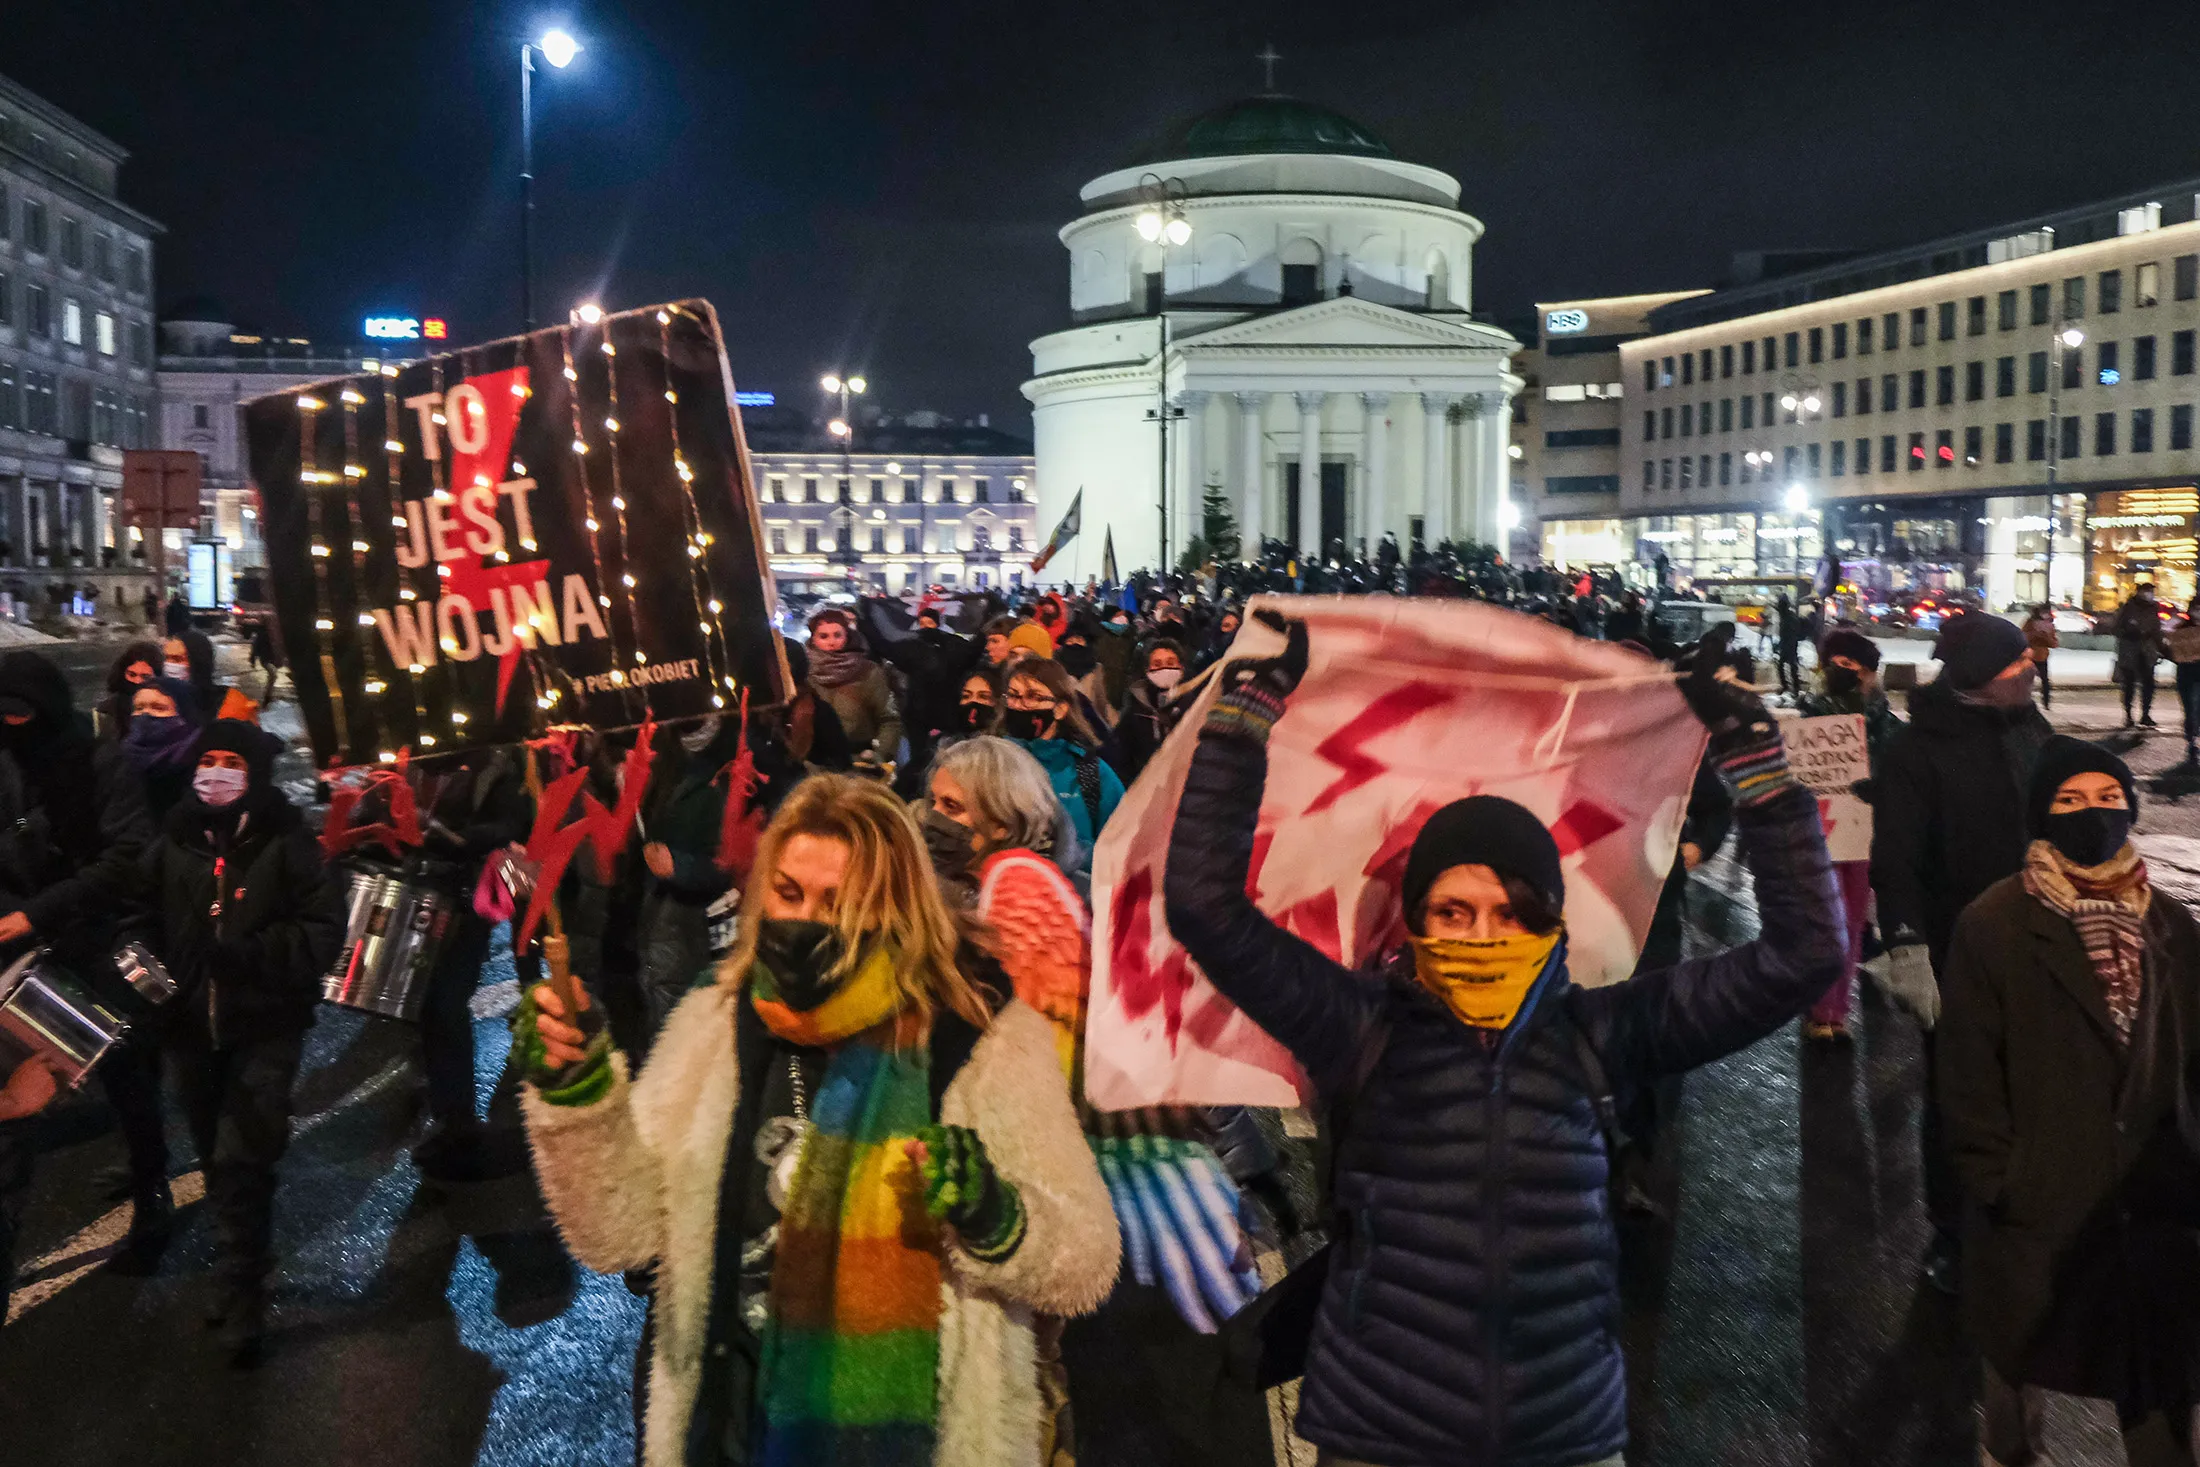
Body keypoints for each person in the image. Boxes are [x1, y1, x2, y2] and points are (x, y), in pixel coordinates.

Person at [1162, 617, 1845, 1467]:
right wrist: (1245, 713)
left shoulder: (1604, 1031)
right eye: (1454, 911)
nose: (1484, 936)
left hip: (1561, 1438)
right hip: (1382, 1434)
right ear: (1413, 924)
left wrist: (1751, 755)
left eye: (1512, 913)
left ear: (1551, 922)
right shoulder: (1359, 1026)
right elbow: (1202, 906)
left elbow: (1806, 952)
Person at [521, 774, 1120, 1467]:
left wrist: (995, 1215)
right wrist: (578, 1093)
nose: (809, 922)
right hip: (728, 1434)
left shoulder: (978, 1037)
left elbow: (1087, 1259)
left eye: (842, 902)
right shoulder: (718, 1019)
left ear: (897, 906)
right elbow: (617, 1234)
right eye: (790, 892)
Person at [1940, 738, 2200, 1467]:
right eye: (2072, 800)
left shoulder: (2172, 924)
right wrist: (2000, 1177)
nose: (2095, 812)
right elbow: (1966, 1073)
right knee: (2020, 1344)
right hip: (2041, 1188)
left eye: (2109, 797)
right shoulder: (1993, 924)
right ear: (2042, 816)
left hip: (2153, 1193)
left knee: (2161, 1371)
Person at [135, 717, 342, 1362]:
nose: (216, 771)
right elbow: (131, 919)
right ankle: (234, 1270)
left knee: (243, 1156)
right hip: (189, 1030)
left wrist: (245, 956)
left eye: (232, 761)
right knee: (211, 1154)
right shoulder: (170, 842)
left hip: (265, 1025)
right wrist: (143, 970)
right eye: (208, 758)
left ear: (253, 775)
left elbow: (321, 933)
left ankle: (245, 1287)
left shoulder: (288, 841)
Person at [1871, 610, 2054, 1293]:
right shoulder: (1918, 752)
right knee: (1957, 1097)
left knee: (2033, 1087)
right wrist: (1908, 945)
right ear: (1979, 679)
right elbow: (1896, 861)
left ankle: (2023, 1213)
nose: (2028, 674)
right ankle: (1951, 1230)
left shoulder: (2033, 729)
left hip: (2035, 946)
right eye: (2017, 668)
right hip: (1956, 950)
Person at [1793, 627, 1902, 1041]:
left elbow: (1903, 778)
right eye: (1836, 664)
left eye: (1853, 666)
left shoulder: (1888, 726)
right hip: (1817, 838)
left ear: (1871, 673)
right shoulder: (1811, 717)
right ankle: (1818, 1008)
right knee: (1820, 924)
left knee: (1852, 924)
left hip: (1861, 840)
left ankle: (1835, 1011)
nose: (1844, 672)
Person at [1002, 658, 1123, 862]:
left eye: (1033, 697)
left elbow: (1121, 841)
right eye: (1013, 696)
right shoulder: (994, 763)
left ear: (1060, 709)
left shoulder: (1090, 771)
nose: (1019, 706)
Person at [804, 609, 902, 770]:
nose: (831, 642)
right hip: (815, 765)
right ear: (813, 639)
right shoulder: (804, 672)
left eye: (837, 635)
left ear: (847, 635)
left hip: (859, 762)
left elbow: (889, 718)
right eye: (823, 636)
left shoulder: (867, 671)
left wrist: (879, 754)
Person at [116, 677, 205, 820]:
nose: (146, 715)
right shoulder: (119, 757)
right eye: (139, 708)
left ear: (185, 714)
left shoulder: (203, 760)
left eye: (159, 708)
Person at [1116, 637, 1190, 779]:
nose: (1164, 668)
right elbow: (1121, 754)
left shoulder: (1194, 703)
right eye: (1157, 664)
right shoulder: (1136, 709)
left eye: (1170, 663)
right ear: (1147, 670)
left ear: (1181, 667)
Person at [2114, 580, 2167, 728]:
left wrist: (2162, 648)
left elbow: (2157, 629)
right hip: (2130, 651)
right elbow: (2116, 628)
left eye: (2150, 591)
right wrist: (2129, 632)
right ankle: (2128, 715)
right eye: (2146, 591)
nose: (2149, 594)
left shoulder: (2153, 608)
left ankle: (2145, 715)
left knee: (2149, 684)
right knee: (2129, 685)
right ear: (2138, 592)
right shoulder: (2128, 607)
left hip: (2147, 652)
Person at [97, 639, 163, 740]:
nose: (137, 681)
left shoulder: (170, 709)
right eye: (132, 675)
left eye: (145, 677)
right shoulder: (107, 710)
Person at [2169, 597, 2200, 762]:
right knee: (2190, 709)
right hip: (2187, 674)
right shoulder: (2181, 630)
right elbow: (2174, 652)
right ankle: (2191, 742)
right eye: (2197, 608)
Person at [2021, 602, 2060, 711]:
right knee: (2039, 681)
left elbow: (2054, 643)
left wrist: (2044, 636)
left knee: (2034, 681)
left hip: (2035, 656)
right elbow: (2054, 643)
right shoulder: (2033, 624)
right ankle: (2042, 702)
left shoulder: (2042, 625)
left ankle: (2042, 702)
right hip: (2035, 656)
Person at [1773, 592, 1804, 696]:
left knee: (1791, 667)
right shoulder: (1785, 616)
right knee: (1783, 666)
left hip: (1790, 645)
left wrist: (1787, 645)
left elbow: (1793, 633)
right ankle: (1787, 686)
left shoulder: (1790, 617)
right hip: (1786, 644)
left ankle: (1795, 688)